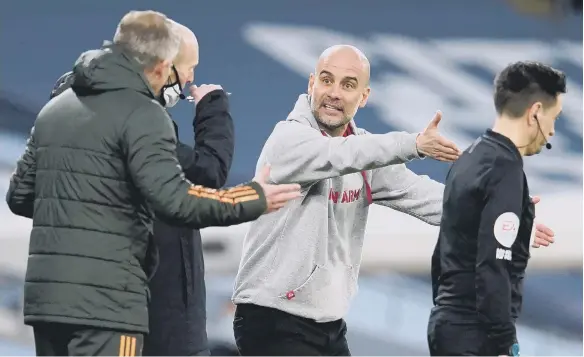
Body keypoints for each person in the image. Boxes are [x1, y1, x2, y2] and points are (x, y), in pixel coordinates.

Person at [5, 10, 300, 357]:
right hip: (110, 304)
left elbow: (21, 196)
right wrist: (253, 197)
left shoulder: (56, 109)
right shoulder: (143, 114)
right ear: (161, 65)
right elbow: (175, 201)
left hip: (48, 304)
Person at [230, 44, 458, 356]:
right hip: (273, 317)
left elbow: (425, 196)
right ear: (311, 84)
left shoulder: (363, 154)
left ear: (364, 97)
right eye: (326, 80)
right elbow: (340, 155)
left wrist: (501, 213)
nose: (334, 93)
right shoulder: (288, 141)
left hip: (328, 324)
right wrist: (412, 144)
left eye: (348, 85)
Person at [47, 21, 230, 356]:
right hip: (154, 317)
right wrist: (212, 109)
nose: (189, 78)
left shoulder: (75, 107)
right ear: (162, 66)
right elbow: (208, 172)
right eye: (188, 68)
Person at [427, 61, 564, 356]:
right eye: (554, 118)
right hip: (476, 334)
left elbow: (443, 250)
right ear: (536, 112)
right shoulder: (505, 168)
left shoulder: (470, 157)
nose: (552, 131)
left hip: (447, 323)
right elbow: (493, 264)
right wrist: (504, 341)